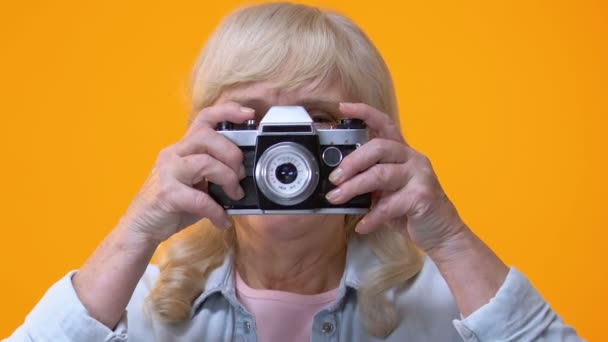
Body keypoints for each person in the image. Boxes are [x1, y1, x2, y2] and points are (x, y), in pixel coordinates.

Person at [5, 2, 583, 342]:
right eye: (252, 121)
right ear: (204, 138)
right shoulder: (134, 308)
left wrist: (453, 241)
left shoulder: (455, 307)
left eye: (320, 122)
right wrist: (135, 233)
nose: (288, 152)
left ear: (371, 141)